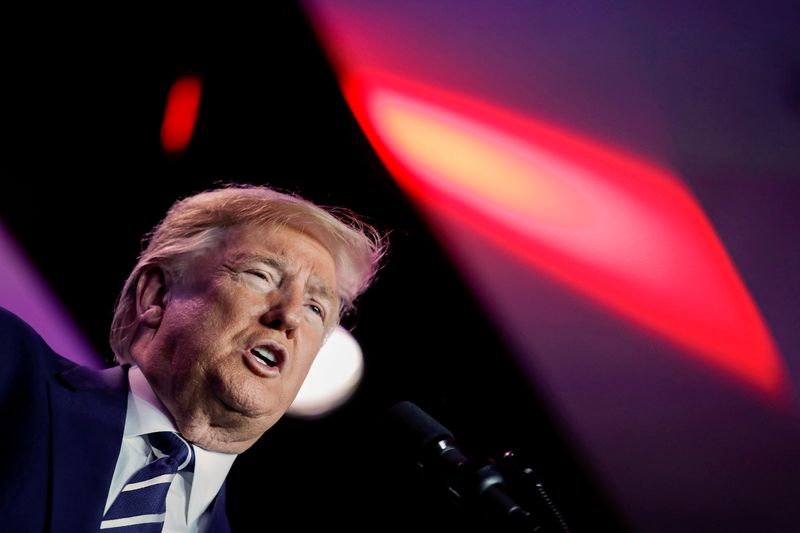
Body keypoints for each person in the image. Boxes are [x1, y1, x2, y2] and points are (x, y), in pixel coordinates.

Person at [0, 183, 386, 532]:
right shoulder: (10, 367)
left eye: (316, 309)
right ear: (157, 296)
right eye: (261, 275)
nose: (288, 316)